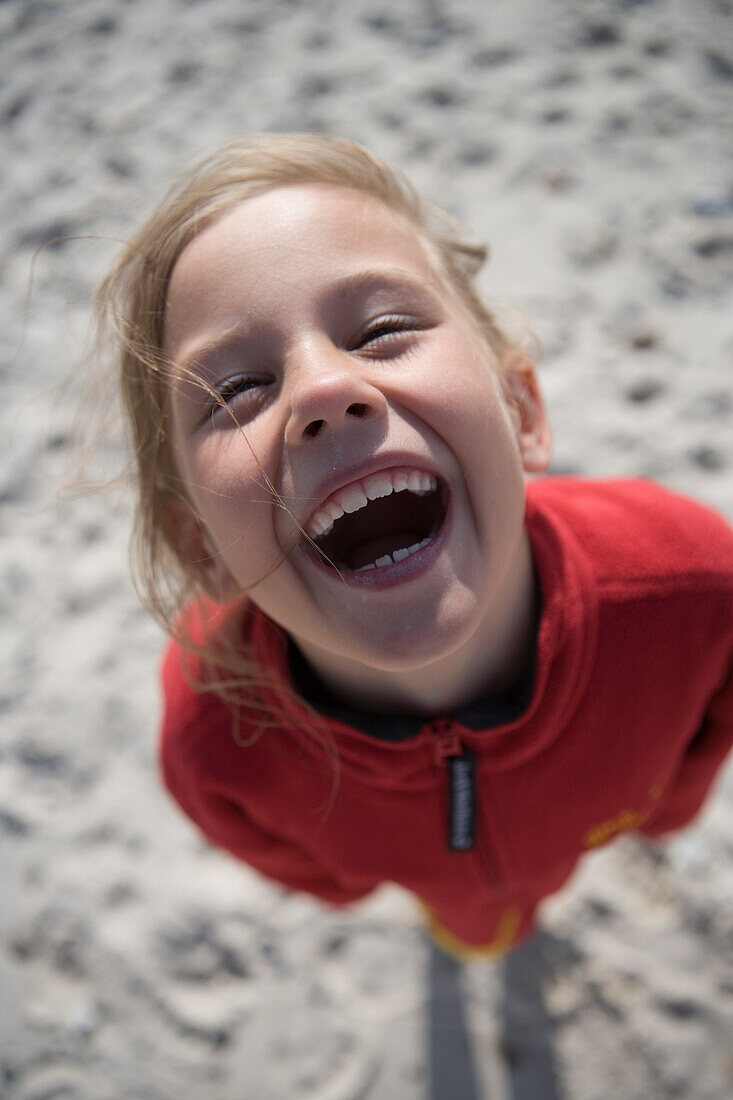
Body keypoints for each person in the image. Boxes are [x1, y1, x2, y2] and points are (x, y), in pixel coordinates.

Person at [94, 134, 733, 960]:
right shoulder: (215, 732)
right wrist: (374, 884)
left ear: (521, 412)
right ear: (203, 549)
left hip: (581, 833)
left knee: (529, 897)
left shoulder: (689, 581)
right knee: (480, 931)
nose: (324, 389)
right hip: (446, 892)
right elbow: (297, 862)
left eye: (382, 329)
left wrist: (663, 809)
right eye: (237, 389)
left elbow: (710, 721)